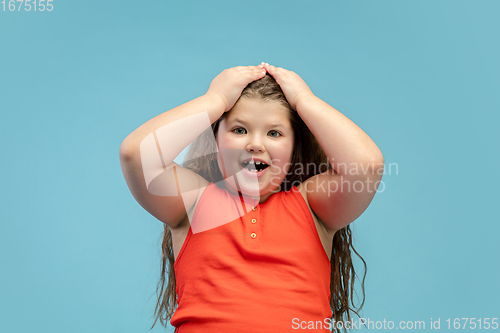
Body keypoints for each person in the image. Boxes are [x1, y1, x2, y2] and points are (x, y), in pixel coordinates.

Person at [119, 63, 384, 332]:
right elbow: (136, 154)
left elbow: (366, 166)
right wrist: (216, 100)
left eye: (274, 133)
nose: (255, 144)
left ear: (294, 147)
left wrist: (305, 101)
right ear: (216, 140)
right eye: (239, 130)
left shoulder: (314, 208)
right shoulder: (194, 202)